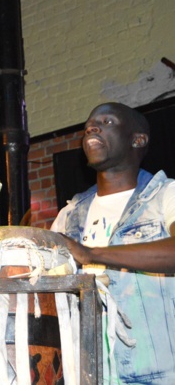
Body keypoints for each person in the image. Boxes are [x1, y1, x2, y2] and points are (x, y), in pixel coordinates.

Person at [52, 102, 175, 384]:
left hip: (159, 374)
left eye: (106, 122)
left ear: (137, 139)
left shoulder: (164, 195)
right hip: (89, 375)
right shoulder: (69, 215)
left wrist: (91, 253)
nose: (92, 128)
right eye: (88, 128)